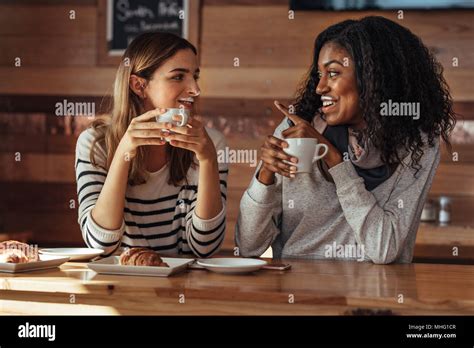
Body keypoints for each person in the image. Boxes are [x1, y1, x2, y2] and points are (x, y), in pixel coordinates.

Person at [235, 16, 456, 264]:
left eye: (333, 73)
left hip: (377, 296)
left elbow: (384, 248)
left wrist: (336, 162)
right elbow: (248, 246)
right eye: (319, 74)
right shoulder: (297, 129)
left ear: (373, 78)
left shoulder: (418, 144)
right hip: (300, 293)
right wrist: (265, 175)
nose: (319, 87)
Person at [75, 32, 227, 258]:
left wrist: (208, 160)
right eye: (178, 77)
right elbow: (100, 244)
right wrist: (124, 152)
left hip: (184, 287)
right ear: (139, 85)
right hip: (118, 284)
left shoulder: (210, 143)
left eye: (195, 76)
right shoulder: (95, 143)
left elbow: (205, 247)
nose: (195, 89)